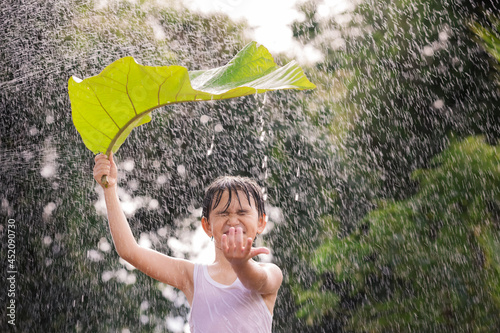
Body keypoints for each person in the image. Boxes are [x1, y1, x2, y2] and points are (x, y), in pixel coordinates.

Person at [93, 152, 283, 332]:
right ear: (207, 225)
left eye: (242, 213)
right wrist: (110, 189)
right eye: (223, 213)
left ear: (261, 222)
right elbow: (129, 251)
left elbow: (256, 282)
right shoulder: (192, 277)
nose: (233, 220)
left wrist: (240, 264)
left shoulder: (271, 272)